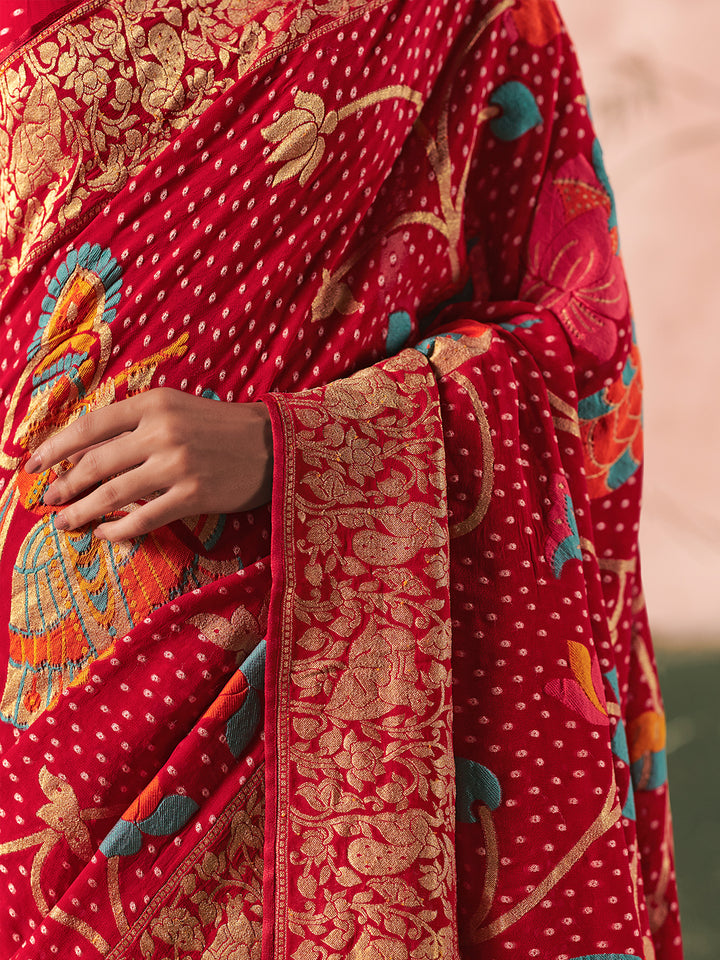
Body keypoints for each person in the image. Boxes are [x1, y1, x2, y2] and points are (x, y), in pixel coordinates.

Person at [0, 0, 683, 957]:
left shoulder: (456, 17)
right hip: (33, 709)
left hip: (290, 653)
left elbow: (581, 346)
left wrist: (296, 448)